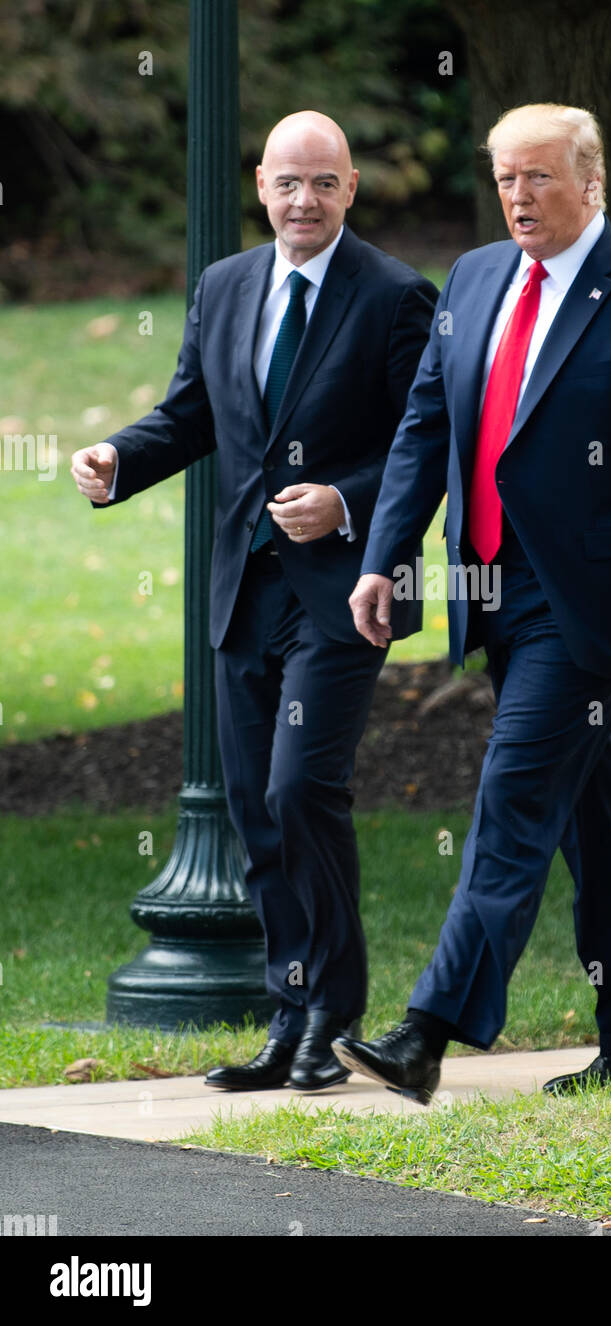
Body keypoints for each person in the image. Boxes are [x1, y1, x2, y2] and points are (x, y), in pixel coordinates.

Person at [335, 102, 611, 1105]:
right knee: (592, 815)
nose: (517, 195)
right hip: (491, 593)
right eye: (505, 177)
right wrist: (384, 558)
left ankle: (425, 1031)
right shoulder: (470, 279)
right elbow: (426, 426)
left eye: (538, 177)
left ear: (591, 183)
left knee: (511, 800)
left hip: (587, 606)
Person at [70, 112, 437, 1093]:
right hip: (243, 589)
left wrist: (345, 501)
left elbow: (422, 440)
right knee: (252, 808)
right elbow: (191, 412)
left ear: (350, 188)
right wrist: (119, 459)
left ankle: (333, 1011)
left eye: (323, 183)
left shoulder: (397, 296)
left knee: (297, 790)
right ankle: (288, 1016)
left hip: (344, 593)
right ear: (261, 187)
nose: (303, 200)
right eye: (287, 183)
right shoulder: (225, 287)